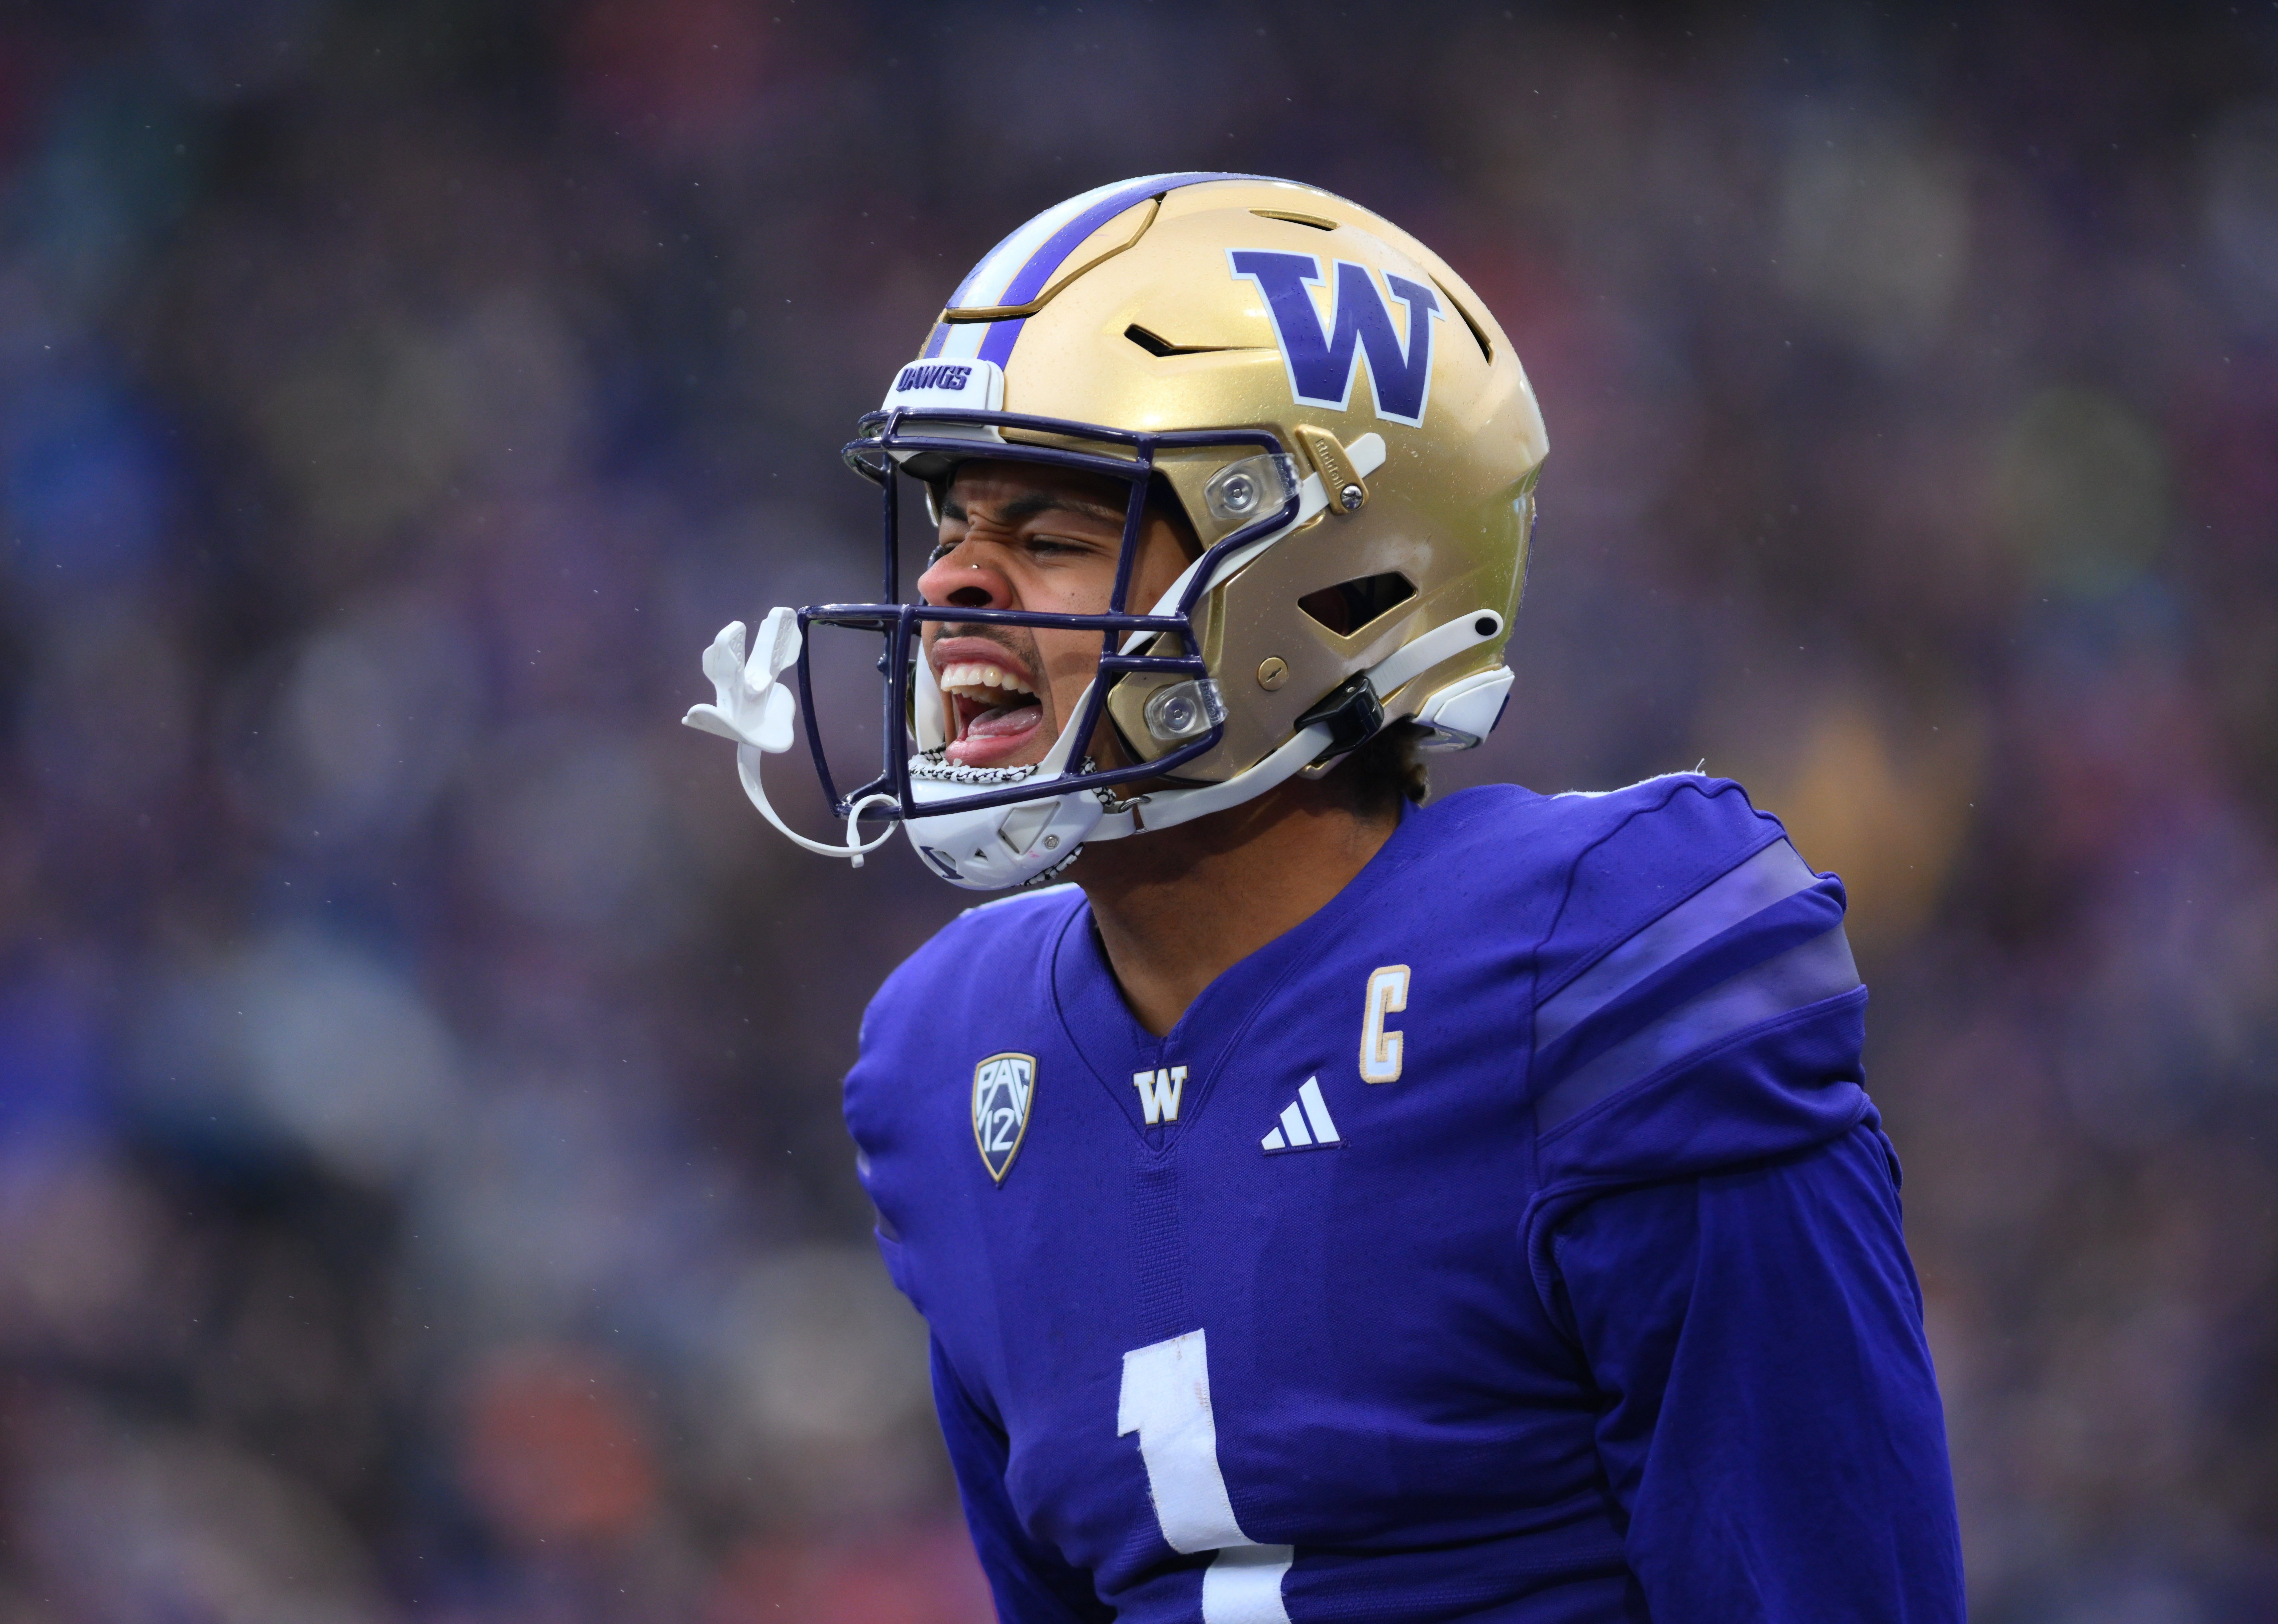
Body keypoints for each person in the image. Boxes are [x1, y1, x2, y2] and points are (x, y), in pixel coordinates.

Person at [685, 174, 1965, 1623]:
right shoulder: (944, 1061)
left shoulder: (1599, 964)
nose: (955, 591)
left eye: (1045, 538)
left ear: (1323, 579)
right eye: (953, 529)